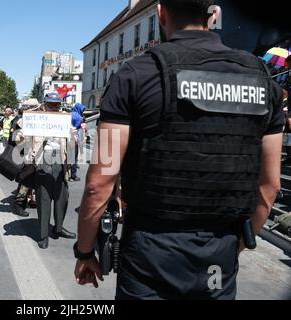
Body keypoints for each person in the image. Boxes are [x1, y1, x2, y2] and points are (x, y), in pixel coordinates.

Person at [74, 0, 284, 300]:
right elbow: (270, 184)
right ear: (214, 16)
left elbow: (99, 182)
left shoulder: (133, 76)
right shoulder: (263, 80)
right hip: (219, 252)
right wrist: (232, 247)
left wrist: (84, 251)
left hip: (150, 252)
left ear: (160, 13)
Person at [26, 93, 76, 249]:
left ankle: (58, 228)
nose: (54, 107)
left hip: (60, 162)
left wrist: (74, 137)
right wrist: (21, 138)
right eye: (51, 104)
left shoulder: (65, 119)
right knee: (44, 199)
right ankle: (43, 235)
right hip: (43, 160)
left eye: (57, 104)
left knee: (62, 198)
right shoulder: (36, 119)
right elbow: (25, 141)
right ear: (45, 104)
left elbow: (72, 146)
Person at [70, 103, 86, 182]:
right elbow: (76, 130)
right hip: (75, 140)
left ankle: (68, 173)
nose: (83, 111)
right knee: (74, 158)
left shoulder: (71, 114)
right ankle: (73, 175)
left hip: (68, 139)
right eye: (82, 110)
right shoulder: (79, 117)